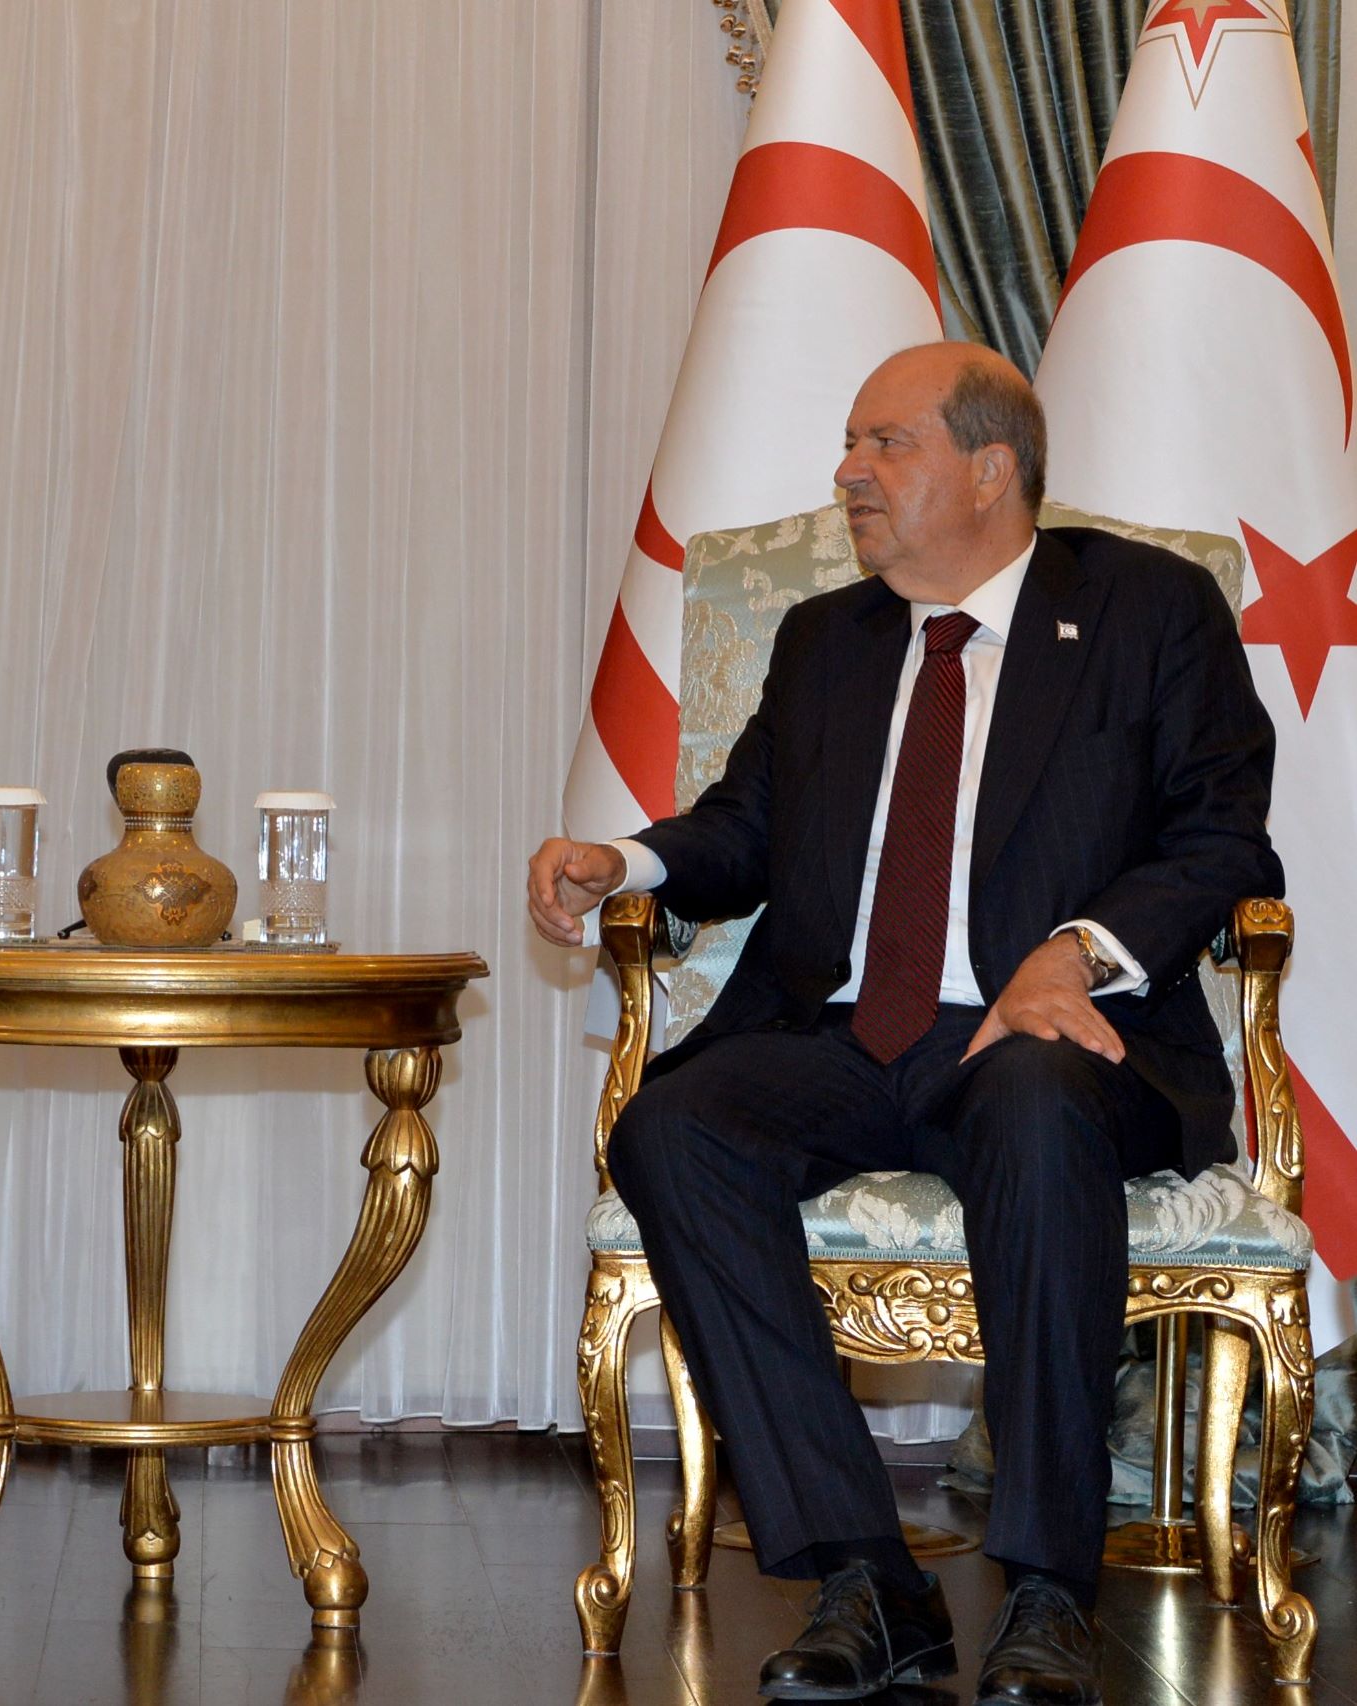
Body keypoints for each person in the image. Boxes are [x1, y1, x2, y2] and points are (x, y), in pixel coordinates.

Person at [528, 343, 1280, 1706]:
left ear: (991, 469)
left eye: (885, 444)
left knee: (1035, 1100)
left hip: (1053, 1044)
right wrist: (623, 861)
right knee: (673, 1129)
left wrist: (1074, 954)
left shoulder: (1144, 611)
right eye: (849, 445)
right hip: (847, 1036)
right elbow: (746, 828)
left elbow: (1222, 837)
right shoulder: (831, 638)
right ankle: (868, 1580)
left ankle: (1049, 1591)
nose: (848, 473)